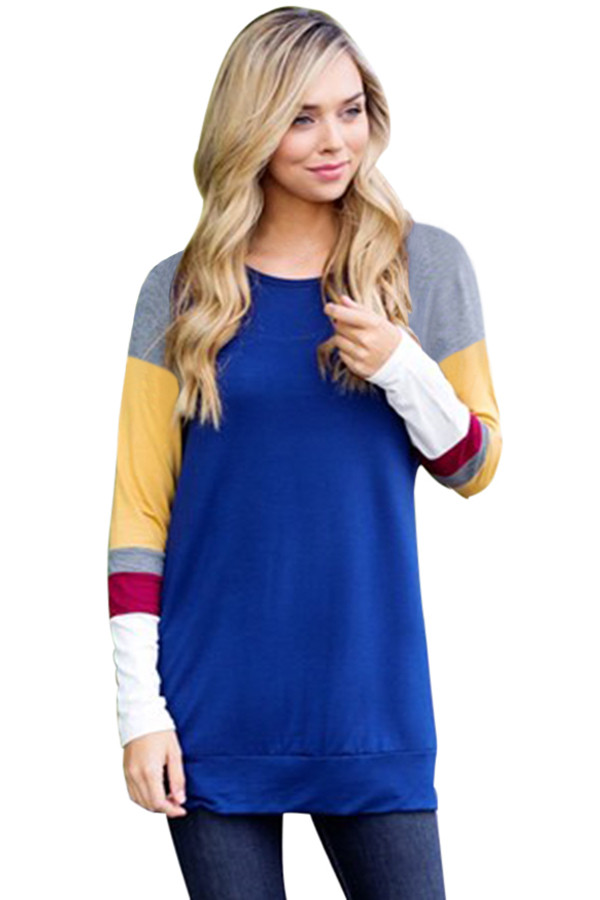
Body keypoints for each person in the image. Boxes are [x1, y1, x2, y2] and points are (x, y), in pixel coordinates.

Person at [107, 7, 502, 899]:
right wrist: (139, 710)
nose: (335, 141)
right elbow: (139, 513)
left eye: (351, 110)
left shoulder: (425, 265)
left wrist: (401, 364)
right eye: (301, 117)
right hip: (211, 705)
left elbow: (475, 467)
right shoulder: (179, 291)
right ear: (250, 125)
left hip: (371, 700)